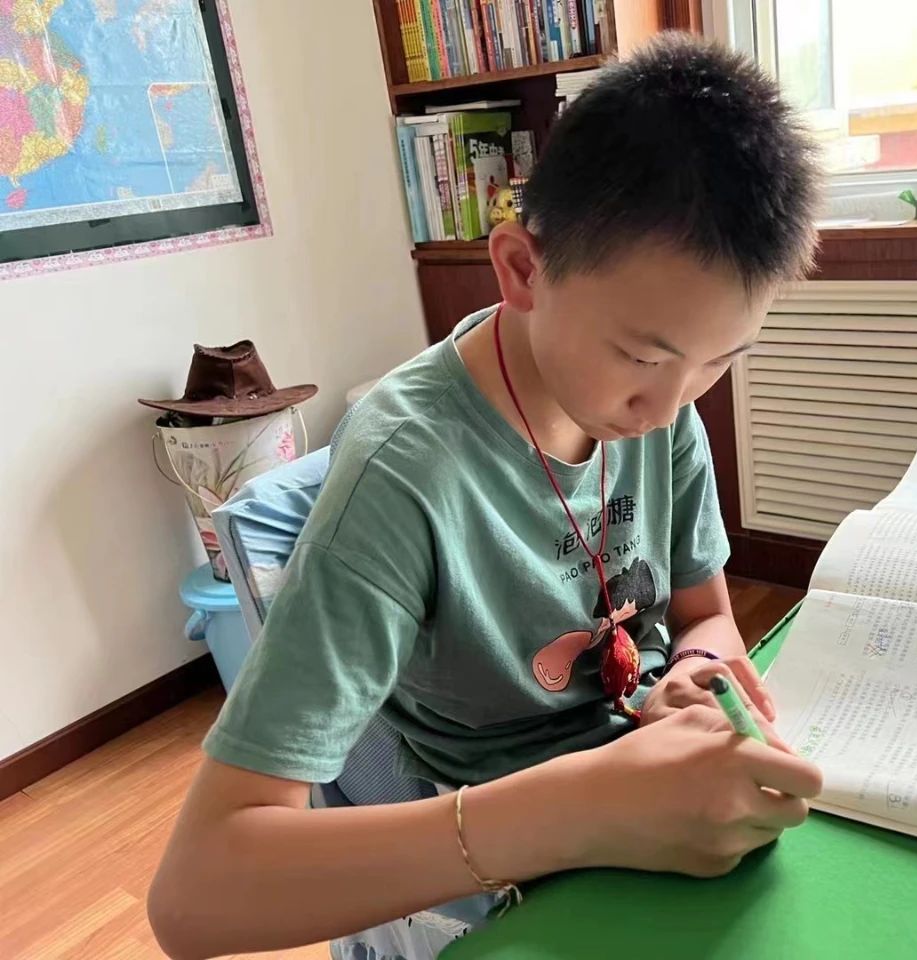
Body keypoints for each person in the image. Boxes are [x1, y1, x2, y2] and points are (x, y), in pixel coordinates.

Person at [149, 31, 822, 960]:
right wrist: (582, 808)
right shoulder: (403, 471)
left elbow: (706, 614)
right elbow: (197, 896)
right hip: (503, 842)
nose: (671, 406)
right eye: (643, 355)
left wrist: (693, 673)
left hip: (633, 789)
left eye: (718, 362)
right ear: (521, 269)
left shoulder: (661, 409)